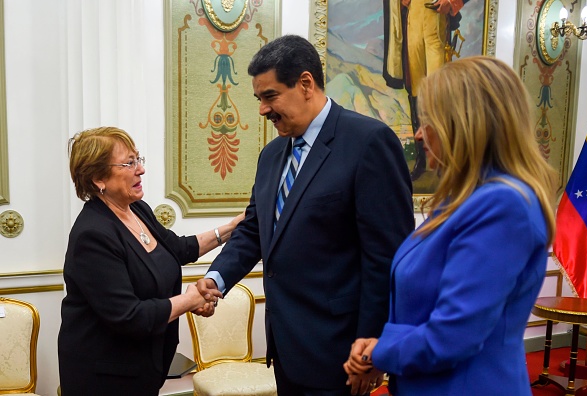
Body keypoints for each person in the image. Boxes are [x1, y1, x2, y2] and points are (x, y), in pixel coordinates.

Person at [196, 35, 415, 395]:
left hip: (340, 350)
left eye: (270, 96)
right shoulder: (271, 156)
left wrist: (372, 345)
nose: (263, 110)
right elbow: (254, 229)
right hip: (285, 347)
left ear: (306, 84)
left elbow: (387, 257)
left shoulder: (369, 142)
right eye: (259, 99)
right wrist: (217, 279)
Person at [343, 56, 557, 395]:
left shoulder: (503, 205)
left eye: (428, 121)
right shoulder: (461, 199)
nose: (418, 133)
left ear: (466, 124)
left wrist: (378, 352)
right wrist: (379, 342)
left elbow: (453, 336)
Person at [58, 126, 244, 396]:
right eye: (129, 163)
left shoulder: (138, 210)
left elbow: (179, 249)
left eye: (138, 160)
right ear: (98, 177)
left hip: (143, 368)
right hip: (105, 378)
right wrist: (190, 300)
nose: (141, 170)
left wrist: (232, 228)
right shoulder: (93, 234)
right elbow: (129, 316)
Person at [383, 0, 468, 181]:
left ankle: (444, 157)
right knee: (416, 90)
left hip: (436, 17)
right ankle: (423, 158)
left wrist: (452, 3)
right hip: (413, 17)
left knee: (440, 91)